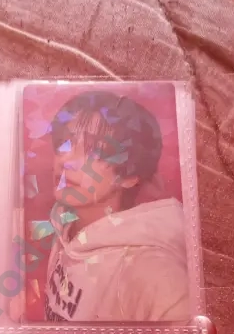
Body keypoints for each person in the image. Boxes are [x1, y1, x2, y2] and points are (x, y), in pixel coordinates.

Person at [43, 90, 190, 322]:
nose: (66, 160)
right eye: (65, 142)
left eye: (96, 151)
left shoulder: (151, 271)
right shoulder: (65, 225)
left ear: (130, 176)